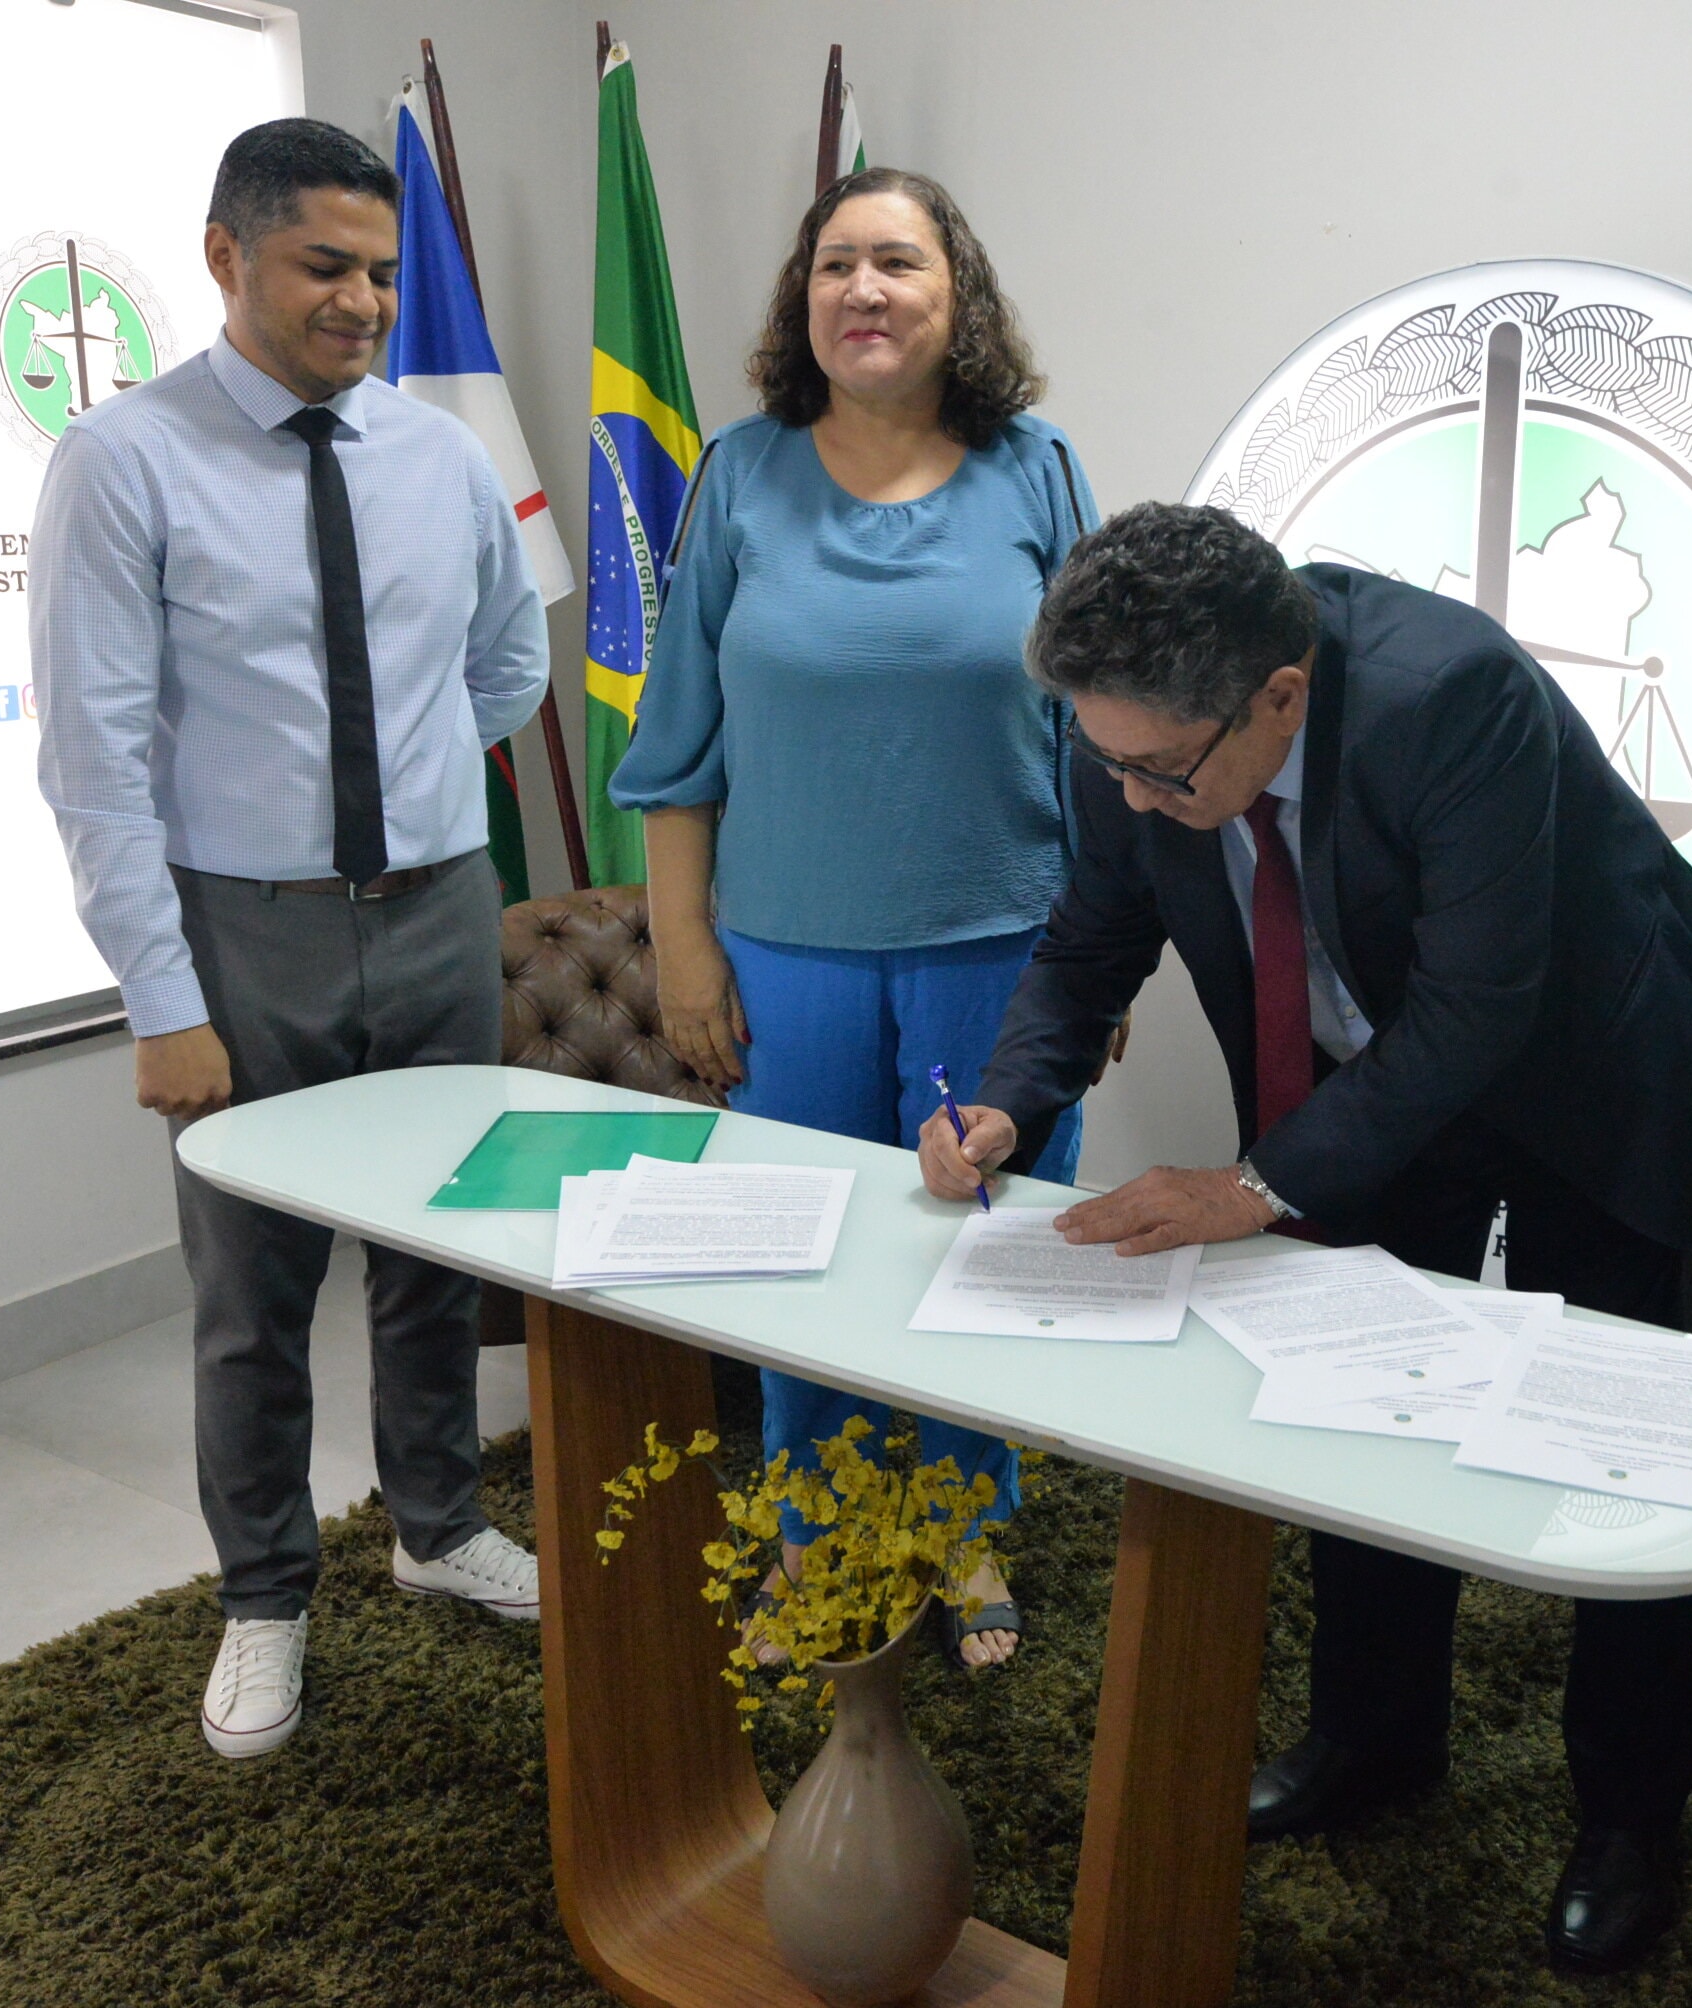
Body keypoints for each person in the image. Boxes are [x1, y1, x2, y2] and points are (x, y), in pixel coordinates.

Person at [917, 503, 1692, 1973]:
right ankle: (1377, 1741)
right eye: (1106, 760)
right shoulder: (1133, 722)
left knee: (1609, 1443)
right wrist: (1004, 1107)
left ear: (1281, 700)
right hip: (1376, 1078)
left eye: (1158, 773)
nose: (1127, 798)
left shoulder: (1458, 695)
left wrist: (1253, 1186)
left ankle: (1630, 1819)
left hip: (1597, 1066)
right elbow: (1089, 940)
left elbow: (1479, 1013)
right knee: (1353, 1402)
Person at [29, 118, 550, 1762]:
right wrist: (160, 998)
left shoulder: (437, 456)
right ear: (224, 256)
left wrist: (410, 791)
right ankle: (264, 1595)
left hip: (438, 912)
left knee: (434, 1251)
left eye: (383, 272)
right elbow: (95, 760)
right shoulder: (123, 461)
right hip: (241, 934)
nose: (364, 302)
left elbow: (510, 661)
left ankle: (435, 1518)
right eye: (327, 266)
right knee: (251, 1292)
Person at [614, 166, 1101, 1672]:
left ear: (959, 296)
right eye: (836, 266)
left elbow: (1102, 730)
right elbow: (680, 744)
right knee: (807, 1260)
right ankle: (816, 1539)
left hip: (999, 955)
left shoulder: (1036, 468)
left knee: (977, 1255)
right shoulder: (744, 475)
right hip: (787, 960)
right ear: (801, 299)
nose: (864, 291)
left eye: (897, 263)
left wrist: (1095, 964)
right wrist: (684, 952)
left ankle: (957, 1523)